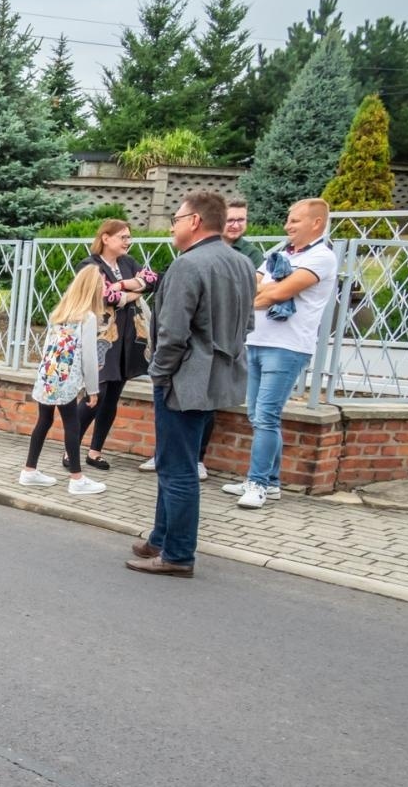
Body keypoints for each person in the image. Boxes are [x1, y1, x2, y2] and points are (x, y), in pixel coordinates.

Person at [127, 191, 253, 578]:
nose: (173, 225)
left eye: (177, 218)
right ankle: (161, 538)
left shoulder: (188, 265)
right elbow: (247, 325)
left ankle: (178, 554)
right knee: (174, 462)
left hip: (185, 380)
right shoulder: (243, 263)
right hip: (220, 377)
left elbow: (172, 332)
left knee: (177, 469)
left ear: (195, 221)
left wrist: (160, 375)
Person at [221, 198, 337, 511]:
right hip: (257, 339)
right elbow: (253, 286)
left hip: (288, 346)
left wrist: (261, 295)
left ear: (316, 223)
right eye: (288, 219)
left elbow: (278, 292)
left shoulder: (321, 257)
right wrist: (259, 295)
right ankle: (270, 483)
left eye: (295, 221)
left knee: (267, 417)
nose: (287, 226)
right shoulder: (278, 254)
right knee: (257, 415)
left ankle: (257, 482)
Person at [74, 219, 155, 470]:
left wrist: (121, 286)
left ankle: (95, 451)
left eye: (129, 237)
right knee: (95, 396)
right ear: (106, 238)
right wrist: (133, 291)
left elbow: (152, 279)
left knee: (113, 398)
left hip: (127, 339)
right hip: (101, 339)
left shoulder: (128, 263)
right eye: (123, 237)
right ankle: (71, 449)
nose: (127, 242)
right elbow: (104, 296)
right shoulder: (89, 265)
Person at [19, 266, 106, 494]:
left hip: (48, 374)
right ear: (92, 288)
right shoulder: (87, 317)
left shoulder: (59, 312)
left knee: (44, 420)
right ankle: (77, 478)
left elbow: (48, 346)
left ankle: (29, 470)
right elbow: (89, 356)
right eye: (101, 283)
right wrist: (93, 389)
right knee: (72, 424)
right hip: (66, 377)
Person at [224, 199, 266, 267]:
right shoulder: (204, 248)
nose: (236, 226)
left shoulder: (252, 254)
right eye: (230, 220)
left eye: (241, 220)